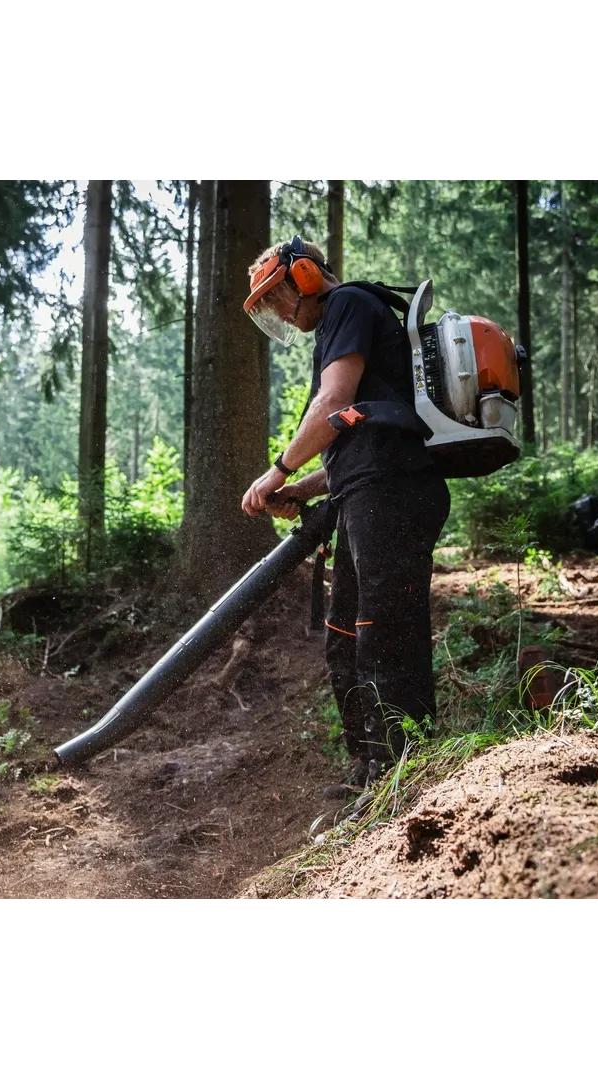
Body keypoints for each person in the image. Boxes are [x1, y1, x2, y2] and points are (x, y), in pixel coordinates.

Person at [240, 236, 450, 800]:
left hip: (395, 491)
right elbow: (355, 435)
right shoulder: (337, 324)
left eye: (281, 295)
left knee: (386, 634)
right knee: (344, 638)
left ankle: (404, 775)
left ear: (306, 275)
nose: (281, 311)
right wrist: (304, 487)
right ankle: (368, 766)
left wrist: (278, 470)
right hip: (364, 488)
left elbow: (333, 404)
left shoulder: (350, 305)